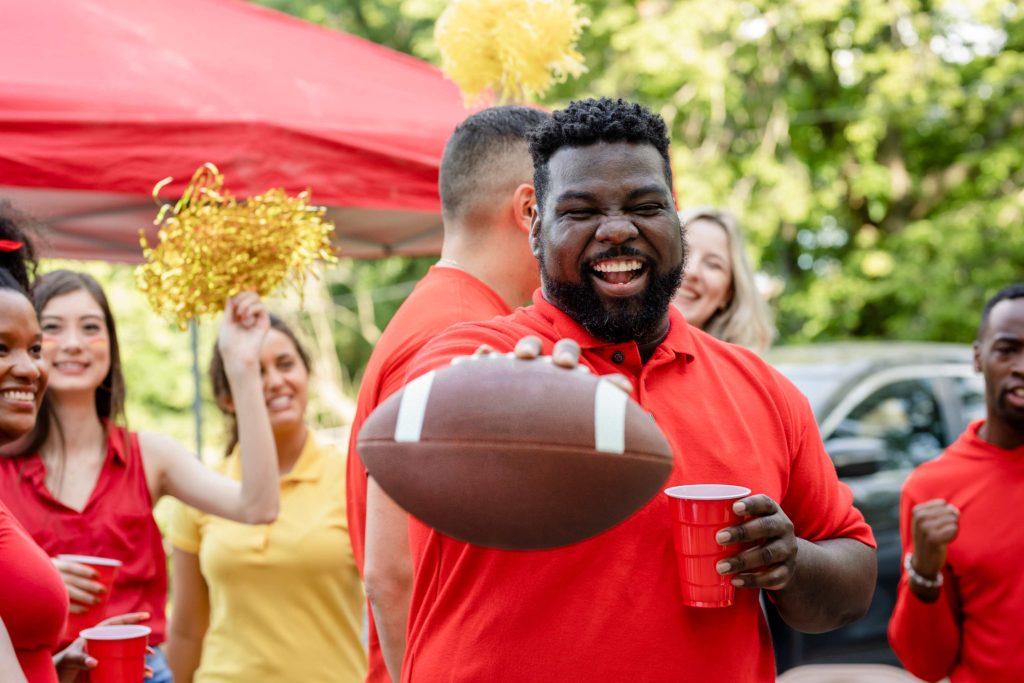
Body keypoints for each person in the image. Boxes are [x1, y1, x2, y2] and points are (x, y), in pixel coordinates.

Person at [368, 98, 877, 681]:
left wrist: (789, 561)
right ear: (535, 226)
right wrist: (500, 403)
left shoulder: (761, 389)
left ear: (675, 218)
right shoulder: (465, 358)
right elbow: (412, 461)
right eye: (580, 211)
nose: (616, 229)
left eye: (644, 205)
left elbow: (853, 575)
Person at [0, 270, 280, 683]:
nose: (74, 343)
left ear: (112, 347)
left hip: (139, 672)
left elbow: (258, 505)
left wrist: (241, 365)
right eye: (54, 329)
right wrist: (40, 573)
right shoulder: (3, 461)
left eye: (91, 328)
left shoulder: (149, 455)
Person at [351, 105, 549, 682]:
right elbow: (392, 572)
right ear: (531, 210)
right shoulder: (457, 336)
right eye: (570, 206)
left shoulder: (440, 311)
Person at [165, 314, 365, 682]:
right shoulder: (201, 489)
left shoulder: (354, 478)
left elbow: (396, 596)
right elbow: (187, 629)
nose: (274, 381)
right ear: (228, 398)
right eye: (254, 371)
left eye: (285, 365)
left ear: (306, 375)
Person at [0, 208, 148, 683]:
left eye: (33, 348)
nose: (29, 368)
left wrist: (49, 668)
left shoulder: (144, 453)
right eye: (1, 348)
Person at [888, 283, 1024, 682]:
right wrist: (924, 574)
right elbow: (926, 665)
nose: (1022, 365)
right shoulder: (932, 488)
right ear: (979, 358)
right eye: (1007, 349)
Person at [672, 207, 774, 352]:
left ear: (728, 293)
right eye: (682, 251)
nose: (691, 271)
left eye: (713, 265)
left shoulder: (738, 372)